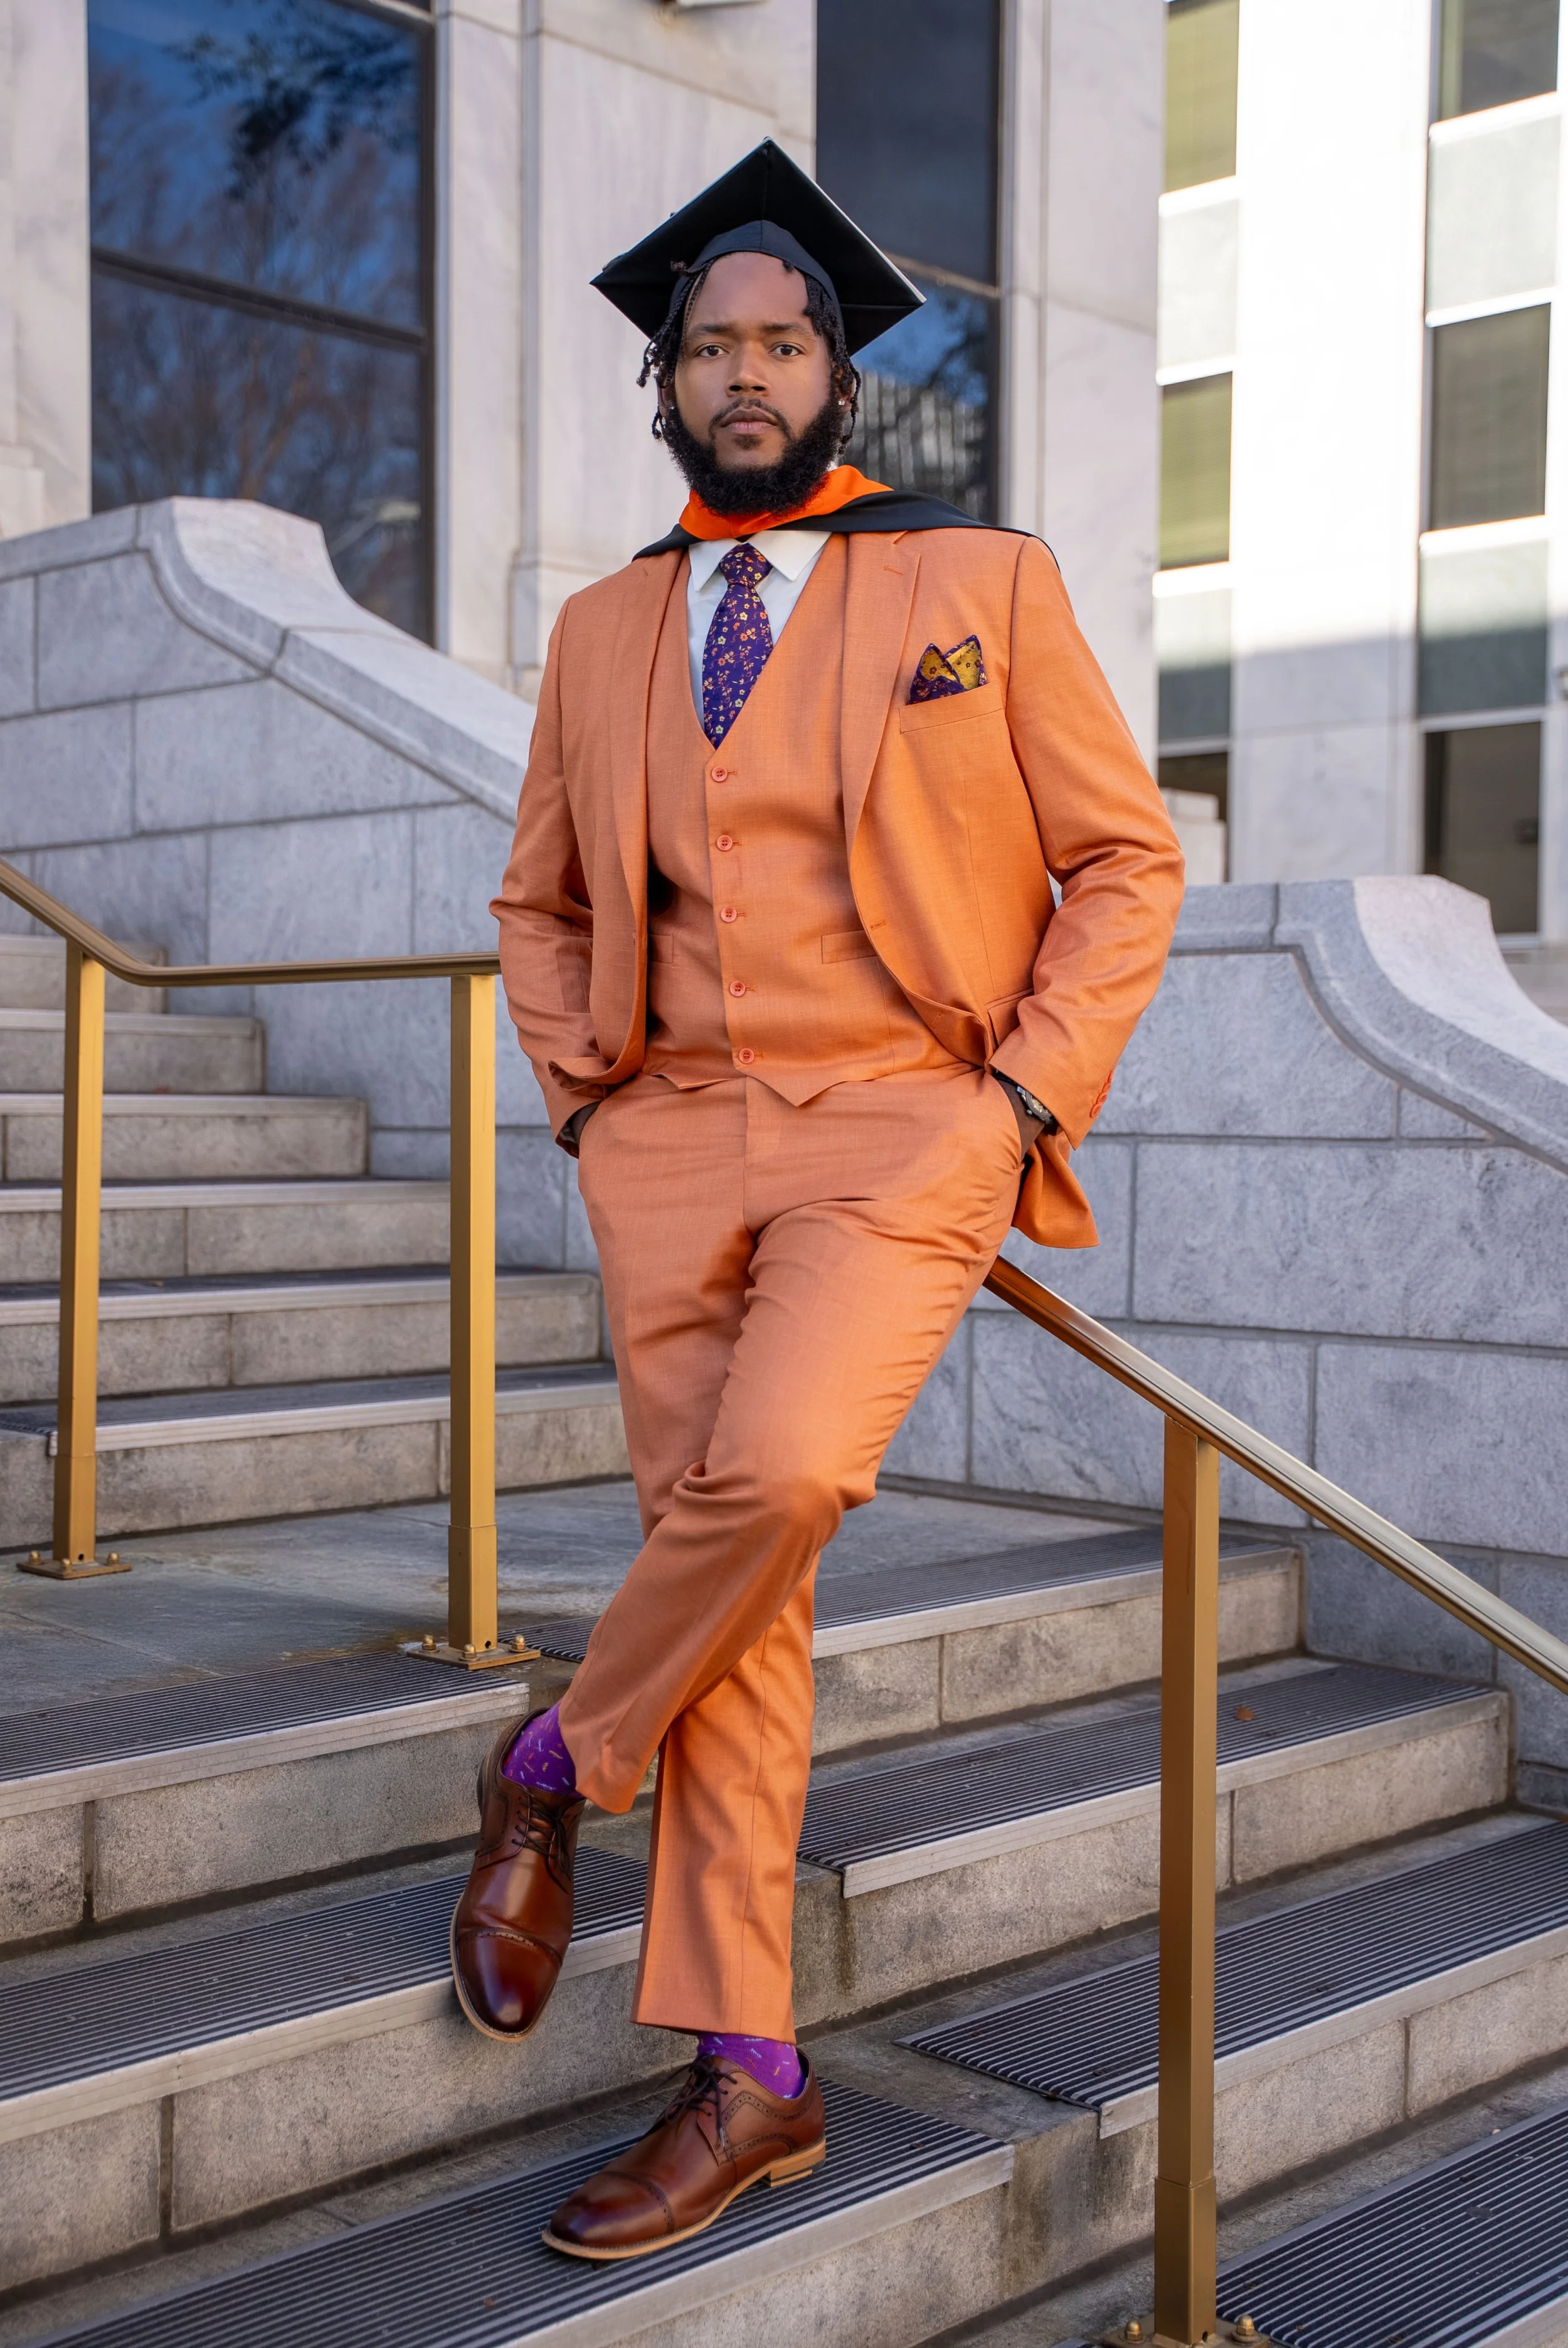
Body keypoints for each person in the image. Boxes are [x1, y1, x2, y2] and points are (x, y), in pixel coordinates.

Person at [457, 140, 1184, 2263]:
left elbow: (1127, 863)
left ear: (838, 373)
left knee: (773, 1479)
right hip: (667, 1131)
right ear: (664, 385)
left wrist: (1019, 1095)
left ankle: (554, 1766)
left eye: (782, 343)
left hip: (901, 1122)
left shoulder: (983, 585)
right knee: (743, 1595)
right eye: (712, 348)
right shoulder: (604, 629)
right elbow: (538, 893)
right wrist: (586, 1091)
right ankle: (750, 2071)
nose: (747, 375)